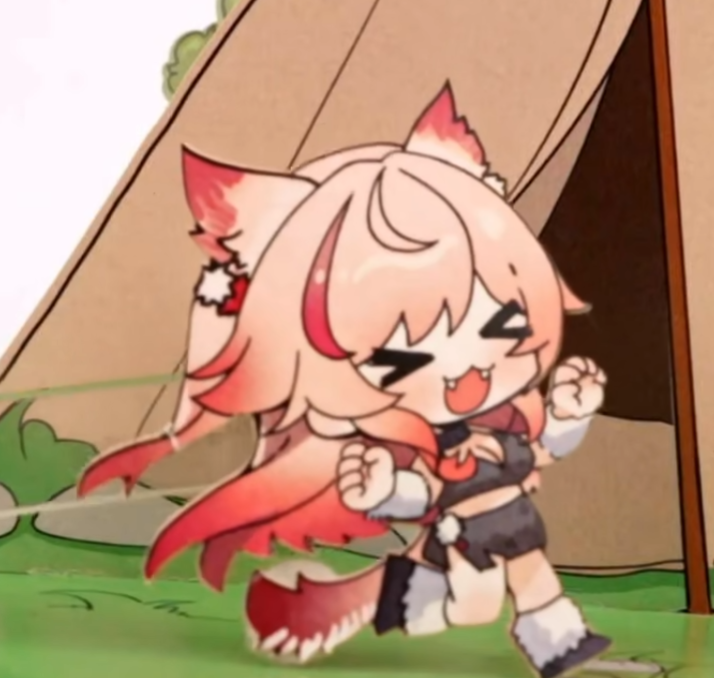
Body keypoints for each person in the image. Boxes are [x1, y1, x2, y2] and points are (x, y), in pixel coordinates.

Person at [77, 82, 609, 677]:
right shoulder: (423, 437)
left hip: (512, 518)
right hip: (462, 525)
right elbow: (421, 494)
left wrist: (571, 412)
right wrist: (381, 490)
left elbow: (545, 447)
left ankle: (557, 644)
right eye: (400, 361)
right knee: (476, 604)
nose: (470, 373)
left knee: (526, 582)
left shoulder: (505, 415)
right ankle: (388, 599)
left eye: (504, 323)